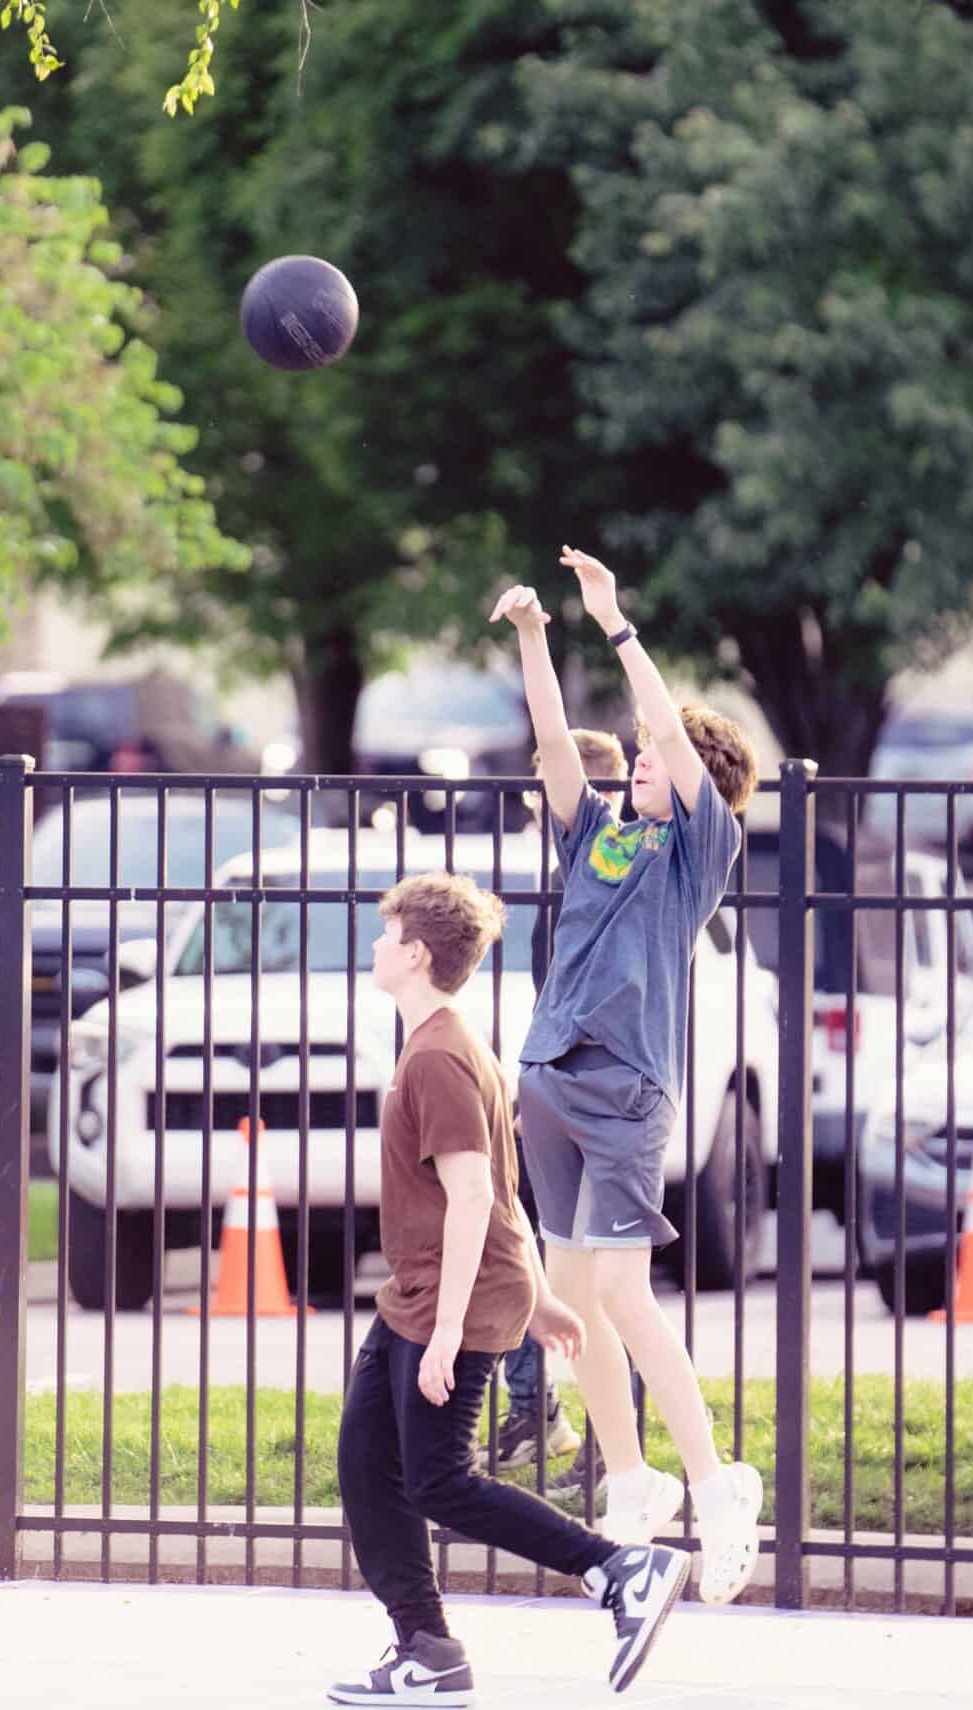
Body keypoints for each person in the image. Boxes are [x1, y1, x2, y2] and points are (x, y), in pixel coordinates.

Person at [331, 872, 693, 1706]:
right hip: (424, 1294)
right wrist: (536, 1296)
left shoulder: (439, 1059)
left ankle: (618, 1570)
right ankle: (425, 1647)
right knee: (366, 1462)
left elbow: (470, 1200)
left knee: (440, 1480)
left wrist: (454, 1331)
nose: (377, 946)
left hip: (444, 1303)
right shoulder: (438, 1043)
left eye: (387, 935)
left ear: (415, 954)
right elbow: (501, 1190)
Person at [488, 546, 765, 1606]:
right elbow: (558, 742)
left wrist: (613, 621)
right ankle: (632, 1477)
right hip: (551, 1079)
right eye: (645, 755)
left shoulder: (700, 846)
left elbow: (661, 732)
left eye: (656, 755)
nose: (640, 761)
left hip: (623, 1090)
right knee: (570, 1300)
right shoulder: (599, 836)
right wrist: (533, 639)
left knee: (616, 1287)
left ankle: (714, 1478)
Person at [490, 728, 631, 1474]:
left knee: (601, 1273)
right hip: (559, 1090)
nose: (535, 810)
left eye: (542, 792)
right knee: (536, 1254)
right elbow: (557, 1000)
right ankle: (539, 1411)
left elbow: (600, 1004)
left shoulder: (611, 883)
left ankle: (609, 1434)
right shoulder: (569, 884)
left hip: (600, 1098)